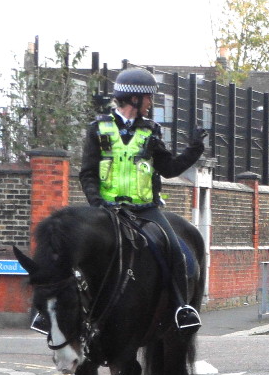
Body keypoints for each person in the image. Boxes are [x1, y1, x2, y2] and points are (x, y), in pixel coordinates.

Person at [79, 67, 206, 332]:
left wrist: (194, 149)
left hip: (145, 209)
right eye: (149, 98)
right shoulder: (98, 129)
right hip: (106, 209)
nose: (151, 103)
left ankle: (181, 308)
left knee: (175, 251)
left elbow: (168, 168)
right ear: (135, 99)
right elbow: (88, 173)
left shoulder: (151, 131)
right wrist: (98, 203)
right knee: (72, 248)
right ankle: (59, 313)